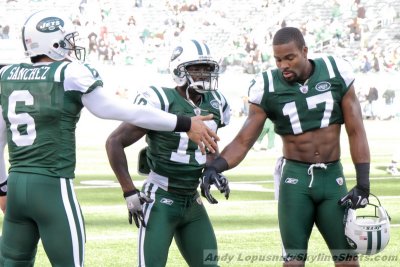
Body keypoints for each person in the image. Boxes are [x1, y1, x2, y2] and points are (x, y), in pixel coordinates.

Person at [0, 10, 219, 266]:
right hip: (52, 187)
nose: (72, 46)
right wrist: (183, 123)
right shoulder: (69, 73)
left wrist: (3, 188)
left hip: (16, 185)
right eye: (67, 40)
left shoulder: (7, 74)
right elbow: (121, 110)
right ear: (54, 42)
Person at [201, 27, 370, 266]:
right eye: (278, 59)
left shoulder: (335, 71)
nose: (283, 65)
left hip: (332, 177)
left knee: (347, 261)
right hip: (295, 180)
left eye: (289, 58)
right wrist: (215, 167)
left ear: (304, 51)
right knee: (293, 262)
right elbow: (243, 141)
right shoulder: (267, 86)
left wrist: (363, 182)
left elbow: (356, 130)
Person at [106, 39, 231, 266]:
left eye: (207, 68)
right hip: (160, 198)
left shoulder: (216, 103)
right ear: (179, 70)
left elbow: (211, 146)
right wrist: (128, 191)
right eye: (196, 68)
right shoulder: (161, 101)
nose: (204, 73)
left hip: (192, 201)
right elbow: (114, 141)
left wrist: (211, 170)